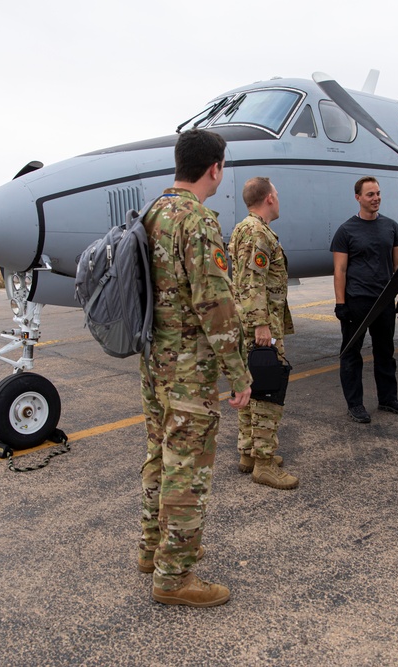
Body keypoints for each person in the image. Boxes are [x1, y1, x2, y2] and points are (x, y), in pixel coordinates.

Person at [137, 129, 252, 608]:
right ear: (215, 168)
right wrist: (239, 373)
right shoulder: (197, 221)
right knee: (188, 468)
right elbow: (215, 303)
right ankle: (174, 576)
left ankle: (152, 549)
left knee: (160, 456)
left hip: (155, 364)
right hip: (189, 367)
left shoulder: (152, 212)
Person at [228, 177, 298, 490]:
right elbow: (251, 281)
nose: (279, 199)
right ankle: (265, 463)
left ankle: (248, 453)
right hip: (260, 324)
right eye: (278, 194)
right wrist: (261, 324)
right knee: (269, 389)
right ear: (269, 198)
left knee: (250, 384)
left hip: (249, 321)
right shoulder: (257, 232)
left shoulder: (245, 228)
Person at [330, 176, 398, 424]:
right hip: (357, 302)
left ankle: (388, 398)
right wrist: (340, 303)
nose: (376, 198)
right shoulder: (346, 231)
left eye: (378, 193)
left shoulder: (391, 227)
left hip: (385, 301)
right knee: (351, 354)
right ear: (358, 198)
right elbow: (340, 270)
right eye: (370, 194)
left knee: (385, 352)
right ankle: (355, 404)